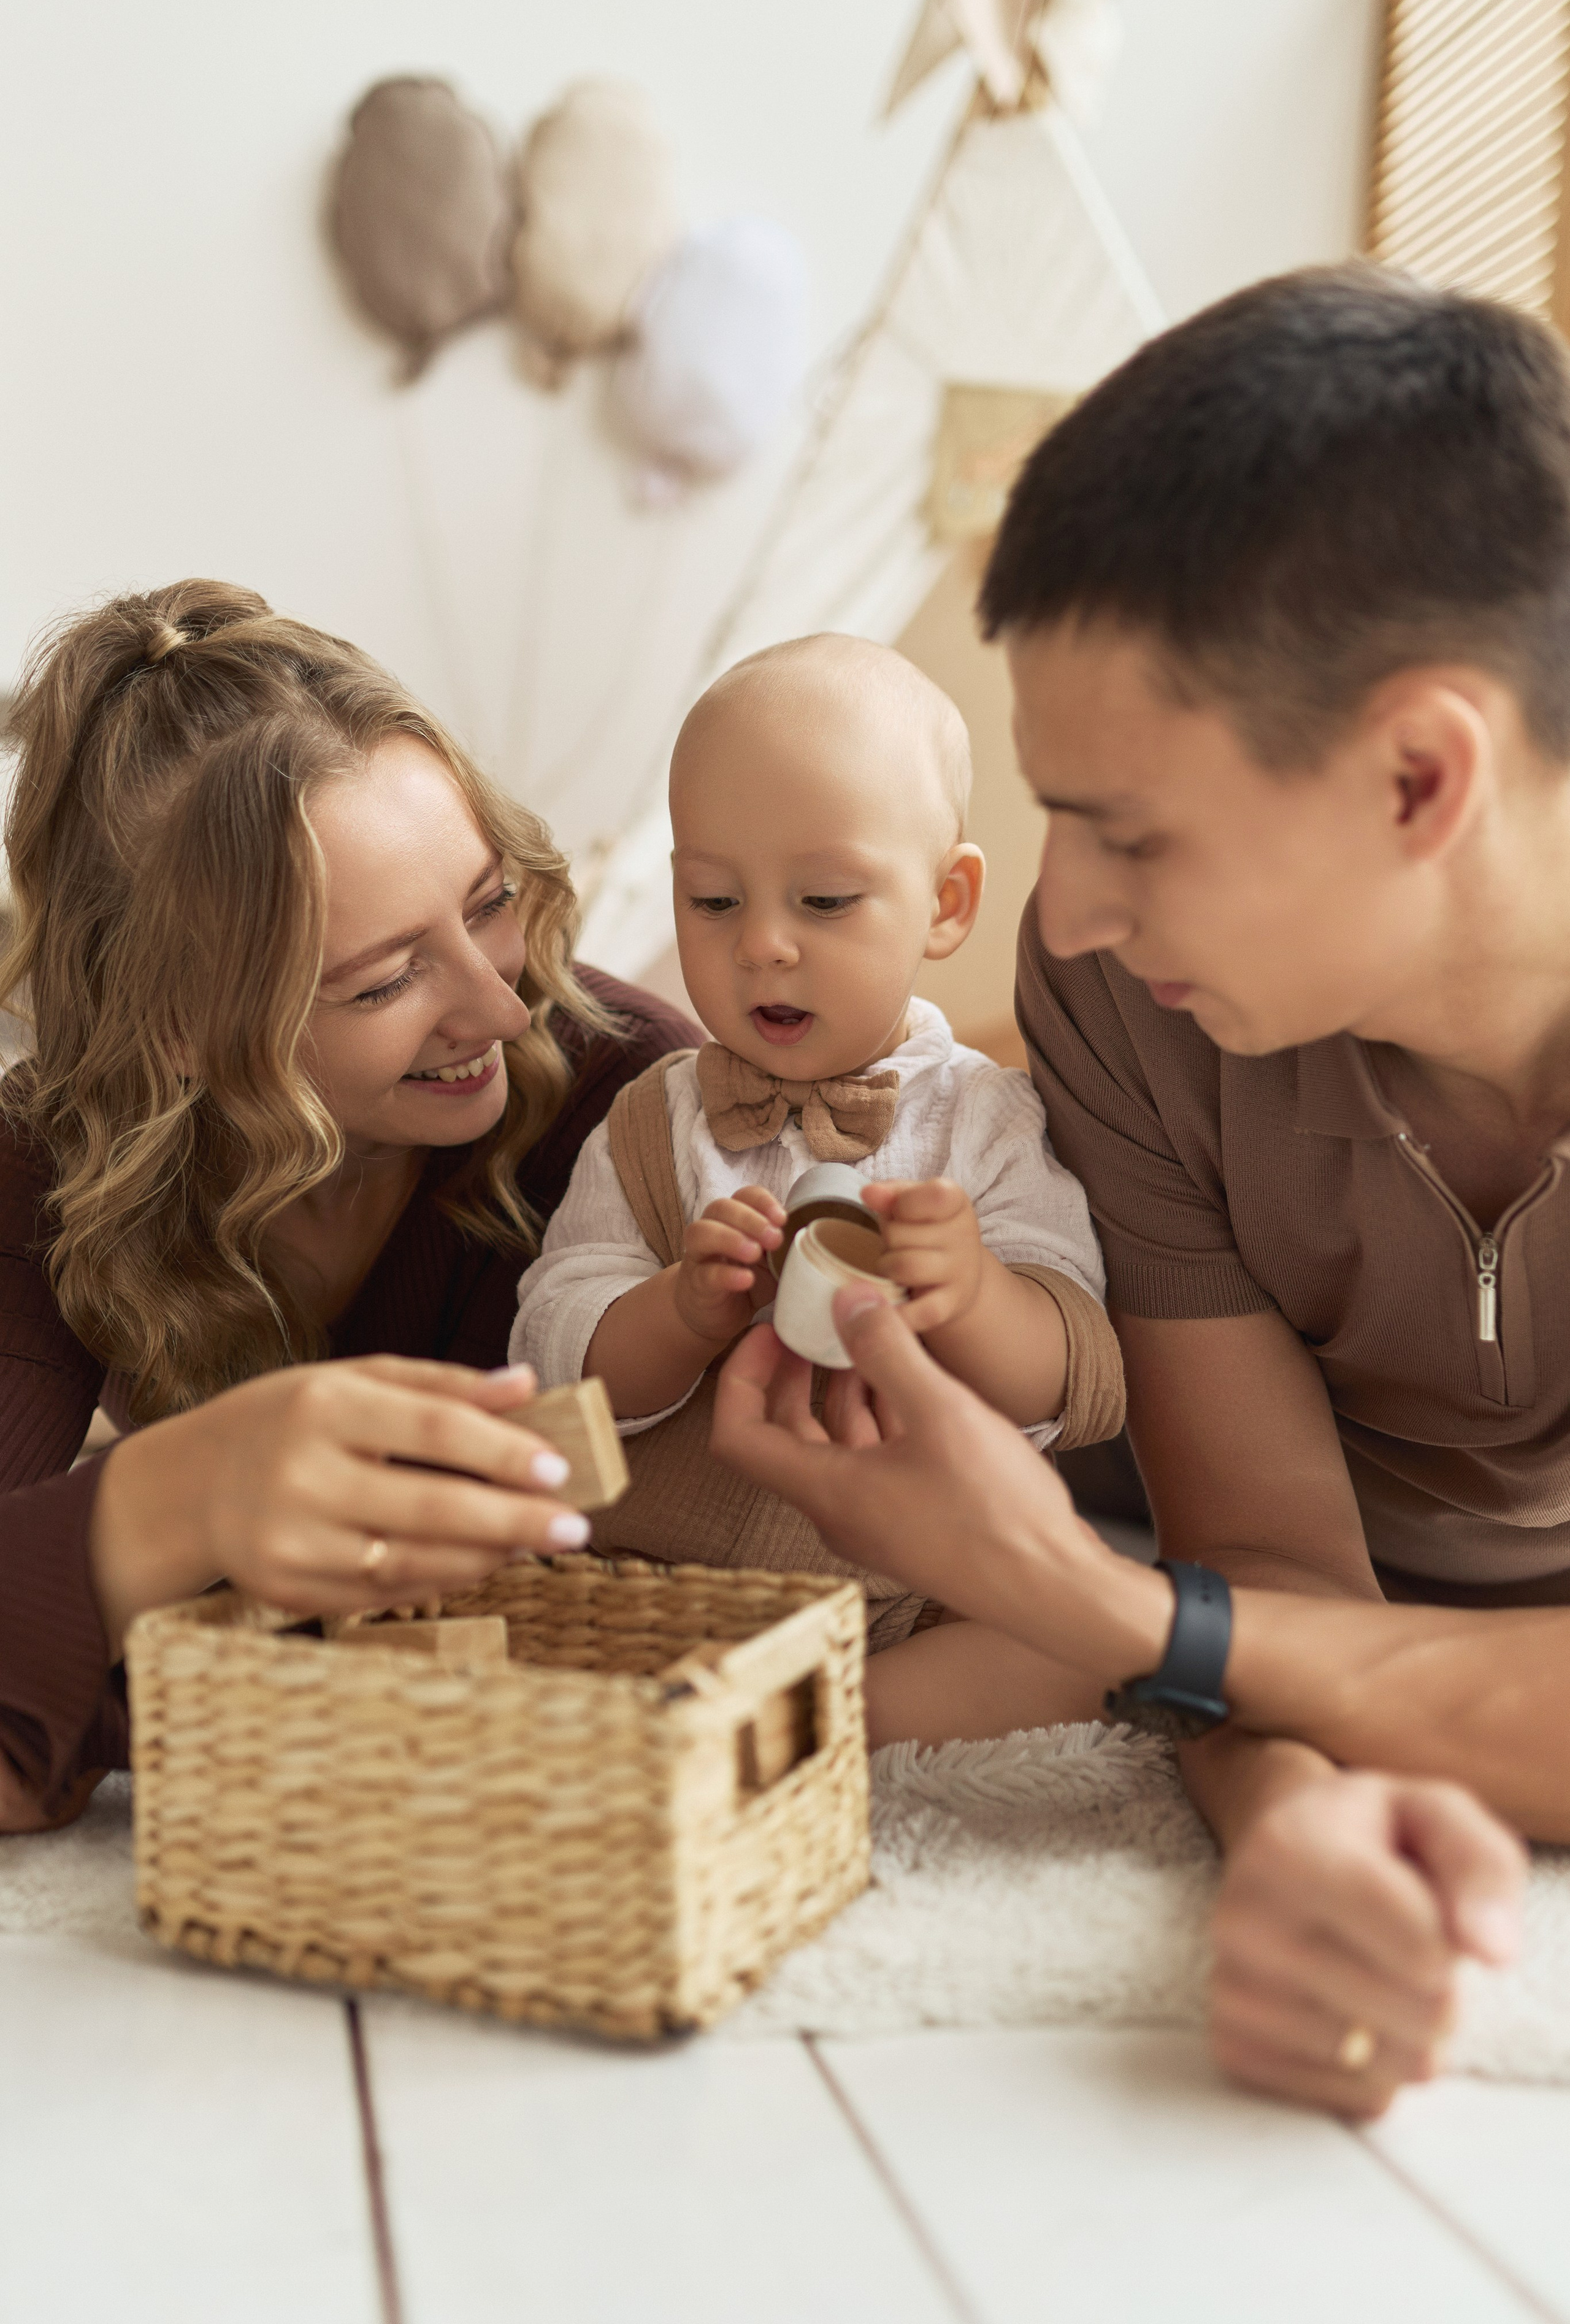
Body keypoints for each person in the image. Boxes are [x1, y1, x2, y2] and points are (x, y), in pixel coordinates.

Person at [711, 263, 1570, 2121]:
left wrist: (1089, 1608)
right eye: (1054, 817)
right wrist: (1296, 1830)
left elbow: (1191, 1615)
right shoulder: (1123, 993)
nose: (1069, 913)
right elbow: (1263, 1554)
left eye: (1135, 833)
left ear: (1422, 774)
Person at [0, 579, 698, 1833]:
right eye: (385, 982)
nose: (500, 1011)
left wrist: (107, 1663)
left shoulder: (634, 1097)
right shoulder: (45, 1165)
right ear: (184, 1033)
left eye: (488, 904)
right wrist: (187, 1489)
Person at [510, 636, 1123, 1716]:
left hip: (898, 1592)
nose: (764, 947)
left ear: (945, 903)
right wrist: (679, 1310)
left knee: (1091, 1639)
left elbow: (1069, 1371)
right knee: (477, 1588)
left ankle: (836, 1722)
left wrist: (974, 1294)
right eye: (712, 901)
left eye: (827, 901)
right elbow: (557, 1349)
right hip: (645, 1582)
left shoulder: (987, 1121)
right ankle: (706, 1723)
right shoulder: (652, 1118)